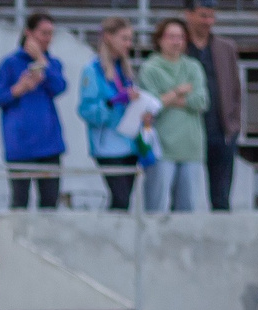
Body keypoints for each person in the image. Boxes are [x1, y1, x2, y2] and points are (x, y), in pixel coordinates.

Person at [0, 12, 68, 210]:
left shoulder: (52, 63)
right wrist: (18, 88)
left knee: (50, 203)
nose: (47, 38)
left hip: (49, 145)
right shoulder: (10, 63)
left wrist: (41, 61)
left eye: (51, 34)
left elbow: (59, 87)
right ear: (29, 33)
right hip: (20, 146)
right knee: (19, 202)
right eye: (43, 33)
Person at [140, 18, 208, 213]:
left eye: (180, 37)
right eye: (171, 37)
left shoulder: (193, 67)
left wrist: (167, 98)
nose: (176, 42)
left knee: (187, 208)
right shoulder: (151, 68)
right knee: (156, 206)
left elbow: (201, 101)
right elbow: (151, 105)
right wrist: (179, 91)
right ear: (160, 39)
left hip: (191, 147)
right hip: (161, 148)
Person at [78, 16, 145, 211]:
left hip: (128, 144)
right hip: (107, 145)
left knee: (123, 204)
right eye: (124, 38)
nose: (128, 44)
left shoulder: (124, 69)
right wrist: (112, 102)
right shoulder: (92, 70)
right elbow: (87, 111)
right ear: (108, 37)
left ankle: (119, 238)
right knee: (120, 198)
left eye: (130, 39)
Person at [185, 5, 242, 212]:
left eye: (211, 16)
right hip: (187, 131)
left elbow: (235, 89)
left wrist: (234, 124)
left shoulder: (225, 47)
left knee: (221, 196)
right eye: (203, 16)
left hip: (220, 130)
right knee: (183, 197)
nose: (208, 21)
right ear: (189, 15)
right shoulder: (179, 45)